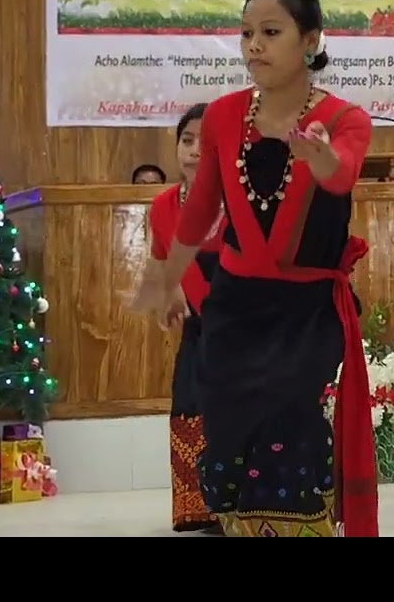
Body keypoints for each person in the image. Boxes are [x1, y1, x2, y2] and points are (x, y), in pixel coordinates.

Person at [131, 0, 377, 537]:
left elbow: (342, 175)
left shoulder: (344, 119)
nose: (254, 47)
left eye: (271, 32)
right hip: (236, 306)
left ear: (310, 40)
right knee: (232, 434)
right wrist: (167, 279)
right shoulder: (222, 116)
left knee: (288, 419)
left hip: (307, 307)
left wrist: (318, 158)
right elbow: (199, 214)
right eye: (246, 34)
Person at [148, 103, 225, 534]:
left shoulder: (239, 199)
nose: (195, 150)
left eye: (205, 141)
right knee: (191, 404)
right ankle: (201, 508)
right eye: (187, 140)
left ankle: (241, 505)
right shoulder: (162, 206)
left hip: (241, 323)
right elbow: (162, 261)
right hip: (197, 329)